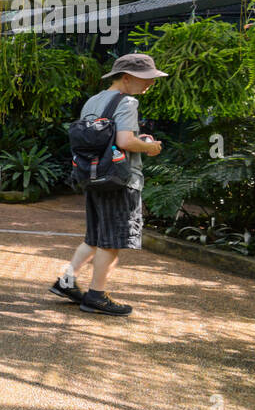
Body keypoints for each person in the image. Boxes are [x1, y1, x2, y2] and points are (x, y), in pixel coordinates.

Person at [50, 53, 168, 316]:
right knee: (112, 241)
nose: (149, 84)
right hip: (119, 179)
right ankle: (96, 296)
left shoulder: (93, 100)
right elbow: (125, 141)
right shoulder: (127, 101)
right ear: (127, 78)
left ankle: (66, 282)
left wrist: (138, 139)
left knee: (94, 236)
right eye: (145, 79)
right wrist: (149, 146)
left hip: (94, 175)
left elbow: (102, 137)